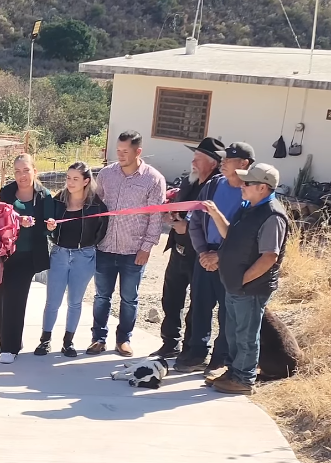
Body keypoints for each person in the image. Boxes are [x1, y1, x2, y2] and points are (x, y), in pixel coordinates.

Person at [202, 163, 289, 395]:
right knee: (233, 331)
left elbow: (269, 257)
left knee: (246, 335)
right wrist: (215, 213)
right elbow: (232, 235)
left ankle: (243, 379)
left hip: (250, 288)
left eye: (247, 183)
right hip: (236, 285)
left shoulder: (272, 216)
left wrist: (243, 279)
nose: (242, 185)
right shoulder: (248, 207)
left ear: (262, 187)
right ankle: (233, 372)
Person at [175, 143, 253, 373]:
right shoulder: (212, 185)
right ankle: (197, 353)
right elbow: (196, 221)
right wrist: (203, 253)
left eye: (229, 159)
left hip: (231, 259)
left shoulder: (250, 192)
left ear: (244, 164)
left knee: (227, 312)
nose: (224, 162)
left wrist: (220, 256)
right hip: (205, 255)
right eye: (224, 158)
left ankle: (221, 358)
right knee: (199, 305)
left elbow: (246, 234)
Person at [88, 130, 166, 358]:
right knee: (101, 296)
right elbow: (97, 208)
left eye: (125, 151)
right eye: (118, 150)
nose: (120, 155)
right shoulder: (105, 175)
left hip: (133, 252)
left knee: (129, 298)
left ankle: (123, 340)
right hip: (104, 248)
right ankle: (98, 339)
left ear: (138, 151)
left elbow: (155, 217)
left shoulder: (153, 179)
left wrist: (147, 247)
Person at [152, 137, 224, 359]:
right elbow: (180, 208)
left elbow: (215, 220)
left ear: (213, 163)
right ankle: (170, 342)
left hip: (200, 253)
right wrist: (171, 216)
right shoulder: (189, 182)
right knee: (171, 297)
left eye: (198, 158)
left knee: (198, 303)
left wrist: (188, 225)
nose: (193, 161)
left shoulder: (218, 187)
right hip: (179, 249)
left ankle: (192, 347)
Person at [35, 162, 108, 357]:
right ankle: (45, 340)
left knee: (75, 301)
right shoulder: (58, 201)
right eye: (68, 178)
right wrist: (50, 228)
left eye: (76, 179)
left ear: (86, 181)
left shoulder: (96, 205)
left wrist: (89, 247)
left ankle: (68, 342)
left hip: (84, 256)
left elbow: (102, 229)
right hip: (59, 254)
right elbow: (48, 224)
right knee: (52, 301)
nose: (70, 182)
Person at [0, 154, 55, 364]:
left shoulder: (45, 196)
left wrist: (48, 227)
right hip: (5, 253)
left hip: (29, 255)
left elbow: (49, 227)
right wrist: (16, 220)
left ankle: (10, 348)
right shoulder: (7, 192)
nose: (22, 175)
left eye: (26, 170)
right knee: (2, 298)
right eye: (18, 171)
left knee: (15, 299)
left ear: (35, 171)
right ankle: (7, 338)